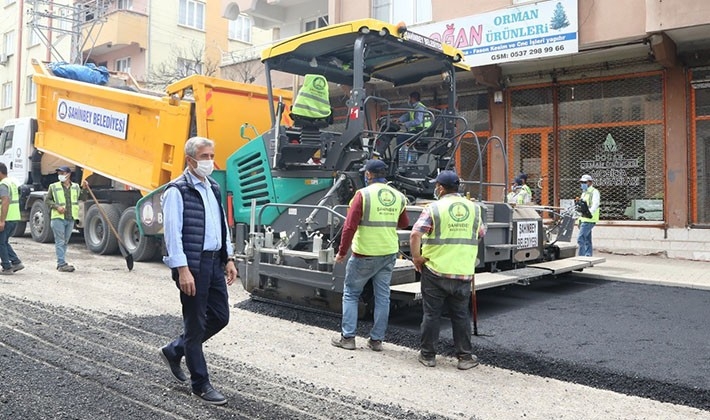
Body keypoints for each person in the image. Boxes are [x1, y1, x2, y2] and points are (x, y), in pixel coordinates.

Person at [159, 136, 238, 406]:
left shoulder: (212, 187)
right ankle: (200, 384)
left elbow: (222, 225)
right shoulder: (176, 191)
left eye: (211, 155)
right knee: (195, 326)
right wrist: (182, 270)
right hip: (193, 265)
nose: (210, 161)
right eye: (205, 156)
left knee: (220, 316)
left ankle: (175, 349)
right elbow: (172, 234)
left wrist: (228, 257)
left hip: (215, 262)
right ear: (191, 160)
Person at [409, 170, 486, 370]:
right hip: (462, 271)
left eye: (437, 186)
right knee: (460, 315)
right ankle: (465, 358)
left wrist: (416, 257)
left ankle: (428, 356)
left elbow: (415, 234)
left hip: (435, 270)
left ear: (440, 188)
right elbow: (480, 233)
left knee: (432, 314)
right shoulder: (474, 208)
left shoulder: (434, 208)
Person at [331, 159, 409, 352]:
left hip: (364, 253)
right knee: (383, 297)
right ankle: (376, 340)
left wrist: (341, 252)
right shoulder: (399, 196)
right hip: (388, 252)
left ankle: (348, 338)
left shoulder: (362, 195)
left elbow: (349, 227)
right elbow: (404, 223)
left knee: (350, 294)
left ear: (368, 175)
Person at [46, 166, 86, 272]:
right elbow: (47, 200)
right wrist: (57, 207)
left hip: (70, 218)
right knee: (60, 241)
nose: (60, 175)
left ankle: (61, 261)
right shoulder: (53, 186)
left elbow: (83, 198)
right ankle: (61, 263)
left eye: (63, 173)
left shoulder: (76, 187)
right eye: (59, 173)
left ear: (69, 174)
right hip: (58, 218)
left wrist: (85, 188)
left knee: (65, 242)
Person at [0, 163, 24, 275]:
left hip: (7, 218)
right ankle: (16, 262)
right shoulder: (12, 182)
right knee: (4, 242)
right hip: (14, 217)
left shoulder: (3, 184)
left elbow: (5, 201)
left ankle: (7, 267)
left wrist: (1, 221)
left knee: (1, 243)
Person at [395, 92, 432, 163]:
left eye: (409, 98)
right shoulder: (414, 108)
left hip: (422, 131)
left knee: (400, 137)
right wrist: (399, 120)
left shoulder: (419, 108)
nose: (408, 100)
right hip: (419, 131)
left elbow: (418, 121)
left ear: (412, 98)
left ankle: (397, 160)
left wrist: (405, 124)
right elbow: (407, 115)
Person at [577, 174, 600, 256]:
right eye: (581, 182)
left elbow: (595, 204)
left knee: (580, 239)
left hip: (590, 219)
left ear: (590, 182)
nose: (582, 184)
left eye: (584, 182)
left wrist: (589, 212)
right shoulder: (584, 193)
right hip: (583, 219)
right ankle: (588, 256)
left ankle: (581, 257)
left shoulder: (594, 192)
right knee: (587, 239)